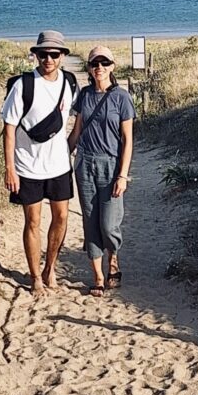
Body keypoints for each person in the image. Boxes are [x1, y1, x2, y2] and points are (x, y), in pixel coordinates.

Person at [1, 30, 79, 297]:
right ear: (35, 55)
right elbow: (9, 129)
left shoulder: (69, 83)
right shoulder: (23, 86)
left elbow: (77, 119)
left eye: (54, 54)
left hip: (59, 166)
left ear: (62, 57)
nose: (48, 59)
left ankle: (50, 268)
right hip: (27, 167)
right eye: (43, 54)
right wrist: (10, 168)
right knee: (32, 221)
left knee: (61, 217)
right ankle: (35, 276)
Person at [67, 44, 135, 297]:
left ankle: (113, 259)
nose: (99, 68)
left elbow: (128, 139)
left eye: (104, 63)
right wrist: (61, 156)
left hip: (111, 164)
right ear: (89, 68)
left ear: (112, 67)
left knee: (109, 223)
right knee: (90, 220)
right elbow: (76, 131)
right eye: (95, 63)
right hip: (84, 162)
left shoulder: (122, 98)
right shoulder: (84, 95)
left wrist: (123, 175)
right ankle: (97, 274)